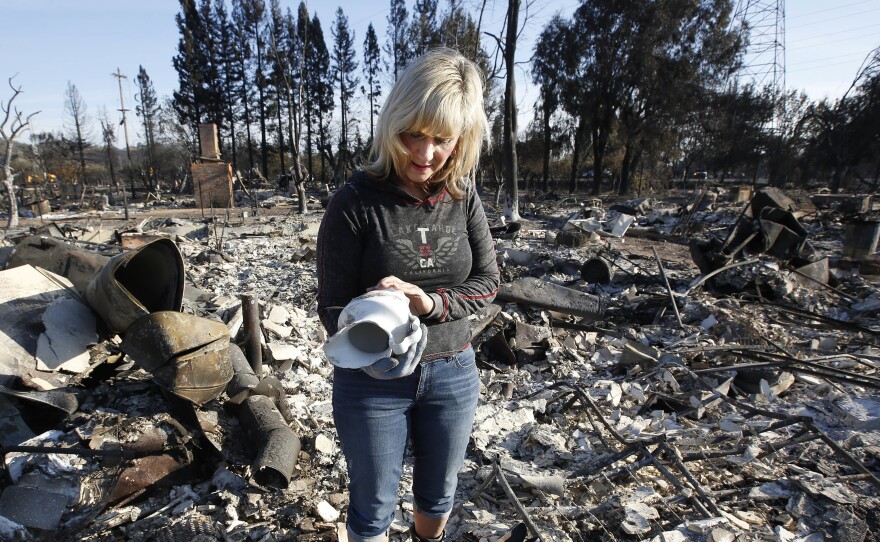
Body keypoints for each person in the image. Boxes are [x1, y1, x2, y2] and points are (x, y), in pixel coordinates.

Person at [316, 47, 500, 542]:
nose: (425, 153)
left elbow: (488, 283)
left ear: (464, 139)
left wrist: (429, 304)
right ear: (391, 125)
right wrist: (375, 322)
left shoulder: (463, 197)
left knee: (438, 493)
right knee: (373, 505)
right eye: (413, 134)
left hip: (453, 374)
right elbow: (332, 306)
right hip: (373, 380)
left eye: (442, 139)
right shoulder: (355, 203)